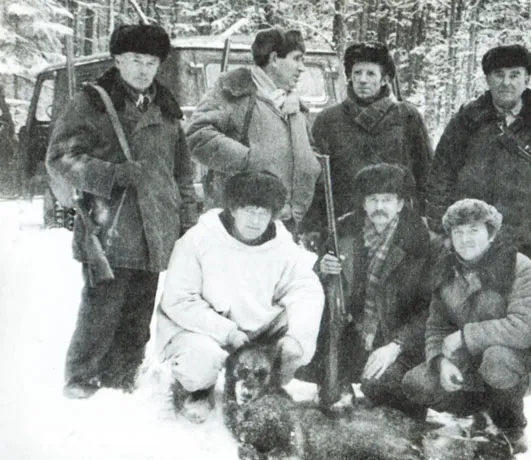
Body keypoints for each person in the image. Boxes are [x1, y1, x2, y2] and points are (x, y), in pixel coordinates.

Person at [46, 24, 198, 399]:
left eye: (151, 62)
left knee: (138, 314)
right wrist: (110, 174)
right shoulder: (93, 102)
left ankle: (123, 379)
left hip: (156, 227)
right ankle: (81, 379)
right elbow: (60, 157)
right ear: (117, 60)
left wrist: (188, 219)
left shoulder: (166, 107)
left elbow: (182, 172)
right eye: (135, 61)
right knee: (102, 309)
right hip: (108, 226)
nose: (144, 70)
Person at [156, 171, 324, 423]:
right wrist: (227, 332)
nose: (256, 221)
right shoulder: (199, 239)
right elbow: (179, 300)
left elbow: (305, 288)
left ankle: (264, 388)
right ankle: (196, 390)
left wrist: (296, 338)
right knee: (203, 360)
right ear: (233, 209)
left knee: (300, 331)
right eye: (249, 210)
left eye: (264, 213)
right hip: (203, 330)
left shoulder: (281, 244)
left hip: (257, 329)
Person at [402, 198, 531, 453]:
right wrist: (440, 361)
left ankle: (511, 427)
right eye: (458, 232)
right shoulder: (445, 269)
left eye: (474, 230)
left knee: (496, 359)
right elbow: (436, 327)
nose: (465, 239)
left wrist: (464, 337)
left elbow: (522, 328)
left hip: (522, 364)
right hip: (473, 367)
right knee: (416, 382)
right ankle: (479, 413)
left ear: (491, 234)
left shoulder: (519, 266)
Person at [424, 44, 531, 270]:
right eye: (499, 75)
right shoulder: (466, 122)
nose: (506, 82)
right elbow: (441, 176)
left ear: (526, 79)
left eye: (514, 75)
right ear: (487, 78)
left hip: (525, 241)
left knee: (521, 301)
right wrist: (440, 229)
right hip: (471, 238)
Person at [302, 163, 433, 419]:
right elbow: (316, 291)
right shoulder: (344, 232)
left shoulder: (420, 242)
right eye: (373, 199)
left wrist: (397, 345)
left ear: (400, 204)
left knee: (385, 391)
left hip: (394, 338)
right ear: (363, 203)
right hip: (353, 332)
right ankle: (334, 382)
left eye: (387, 199)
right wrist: (322, 268)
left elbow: (429, 310)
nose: (379, 207)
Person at [186, 28, 319, 233]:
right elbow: (197, 136)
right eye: (297, 59)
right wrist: (249, 160)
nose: (302, 68)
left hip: (286, 225)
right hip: (239, 225)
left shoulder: (293, 105)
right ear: (274, 59)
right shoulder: (235, 92)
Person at [305, 42, 432, 231]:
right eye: (357, 73)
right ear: (349, 77)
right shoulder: (329, 119)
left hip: (397, 225)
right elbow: (316, 180)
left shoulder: (407, 117)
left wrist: (425, 219)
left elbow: (426, 173)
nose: (362, 80)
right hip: (343, 224)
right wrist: (313, 227)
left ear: (384, 79)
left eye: (371, 73)